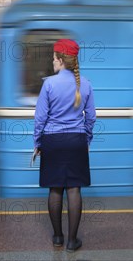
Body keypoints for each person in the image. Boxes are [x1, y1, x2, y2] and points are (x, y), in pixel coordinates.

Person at [33, 39, 96, 253]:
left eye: (53, 58)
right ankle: (72, 241)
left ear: (60, 59)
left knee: (55, 188)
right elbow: (91, 118)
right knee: (74, 189)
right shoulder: (85, 83)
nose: (52, 62)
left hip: (53, 140)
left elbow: (40, 118)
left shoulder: (49, 84)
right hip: (76, 140)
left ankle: (58, 237)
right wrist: (86, 139)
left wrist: (38, 143)